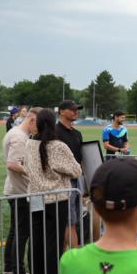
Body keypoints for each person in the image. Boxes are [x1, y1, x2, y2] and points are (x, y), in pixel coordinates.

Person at [25, 109, 82, 274]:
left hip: (35, 198)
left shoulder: (30, 144)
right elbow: (75, 170)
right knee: (53, 244)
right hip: (56, 199)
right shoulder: (58, 146)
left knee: (36, 241)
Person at [2, 107, 40, 274]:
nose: (38, 130)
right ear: (32, 120)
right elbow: (12, 164)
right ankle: (18, 273)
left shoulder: (16, 133)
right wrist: (34, 173)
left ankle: (9, 269)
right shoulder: (19, 137)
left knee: (15, 231)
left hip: (15, 190)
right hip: (20, 192)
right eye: (38, 125)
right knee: (21, 233)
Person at [55, 100, 85, 247]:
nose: (76, 112)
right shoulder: (54, 132)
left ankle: (68, 256)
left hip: (77, 180)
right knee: (69, 222)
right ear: (62, 111)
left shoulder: (77, 134)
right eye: (72, 109)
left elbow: (81, 160)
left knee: (75, 220)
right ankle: (75, 256)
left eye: (77, 109)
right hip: (62, 182)